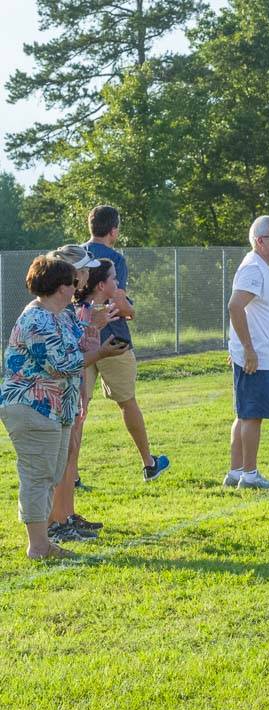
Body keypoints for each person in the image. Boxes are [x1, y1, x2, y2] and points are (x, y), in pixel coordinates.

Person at [0, 252, 126, 559]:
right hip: (32, 407)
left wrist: (95, 327)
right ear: (60, 287)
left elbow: (80, 346)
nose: (77, 287)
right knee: (37, 475)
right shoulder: (36, 319)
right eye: (72, 282)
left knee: (50, 474)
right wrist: (102, 355)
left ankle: (43, 543)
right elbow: (62, 364)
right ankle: (39, 546)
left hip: (56, 409)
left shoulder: (63, 315)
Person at [48, 249, 132, 542]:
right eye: (83, 270)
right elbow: (73, 354)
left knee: (71, 454)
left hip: (71, 392)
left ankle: (66, 515)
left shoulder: (73, 308)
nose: (85, 276)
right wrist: (94, 328)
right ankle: (57, 520)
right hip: (55, 395)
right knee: (63, 457)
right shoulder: (68, 309)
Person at [82, 205, 170, 481]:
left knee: (78, 408)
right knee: (127, 402)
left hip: (79, 335)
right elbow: (116, 300)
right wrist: (130, 308)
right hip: (112, 336)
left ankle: (70, 475)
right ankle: (148, 463)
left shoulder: (74, 252)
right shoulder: (114, 258)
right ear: (114, 231)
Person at [225, 215, 269, 490]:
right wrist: (248, 350)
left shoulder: (259, 266)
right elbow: (235, 306)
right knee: (252, 415)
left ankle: (236, 472)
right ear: (260, 241)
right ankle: (249, 475)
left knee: (245, 414)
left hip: (259, 354)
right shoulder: (253, 267)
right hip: (258, 356)